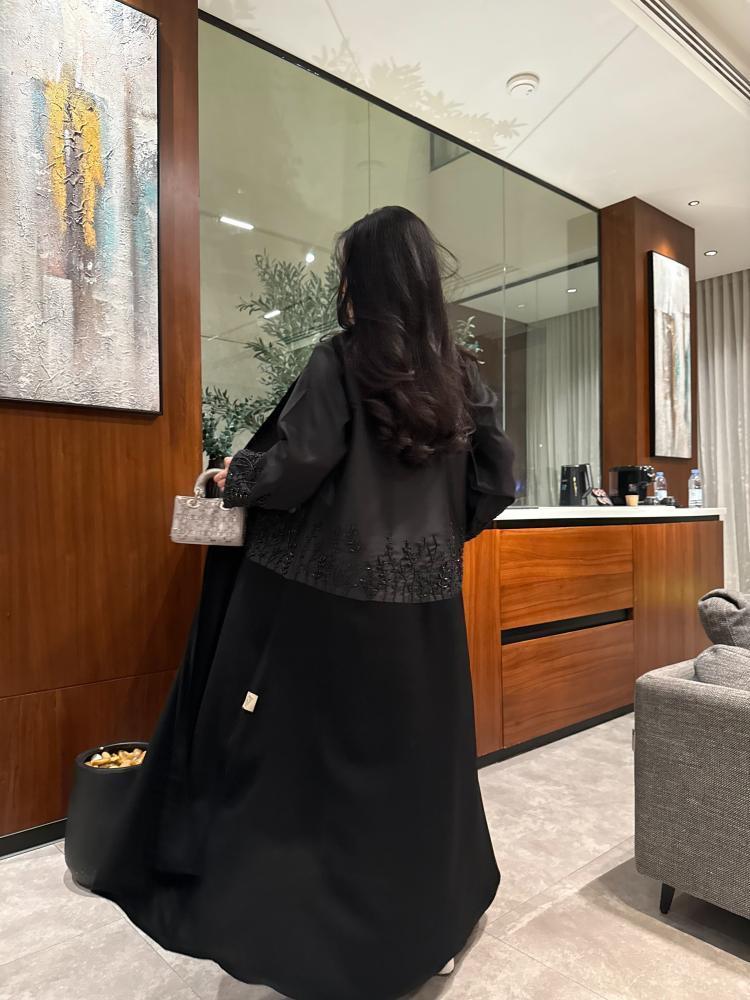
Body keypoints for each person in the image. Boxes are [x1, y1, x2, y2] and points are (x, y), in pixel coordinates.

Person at [91, 205, 515, 1000]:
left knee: (322, 782)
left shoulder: (343, 359)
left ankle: (328, 945)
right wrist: (432, 536)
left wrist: (236, 478)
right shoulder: (459, 373)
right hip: (426, 610)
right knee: (423, 770)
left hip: (335, 612)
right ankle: (429, 933)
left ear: (364, 281)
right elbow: (498, 480)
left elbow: (298, 465)